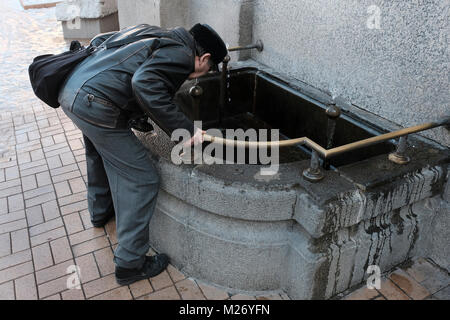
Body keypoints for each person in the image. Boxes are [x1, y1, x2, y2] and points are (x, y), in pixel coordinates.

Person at [58, 23, 228, 285]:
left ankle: (100, 212)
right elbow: (144, 82)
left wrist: (136, 114)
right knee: (142, 178)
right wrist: (186, 131)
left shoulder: (158, 32)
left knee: (99, 153)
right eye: (209, 68)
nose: (204, 73)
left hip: (73, 89)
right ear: (204, 58)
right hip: (96, 104)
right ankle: (130, 264)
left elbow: (102, 40)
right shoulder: (183, 55)